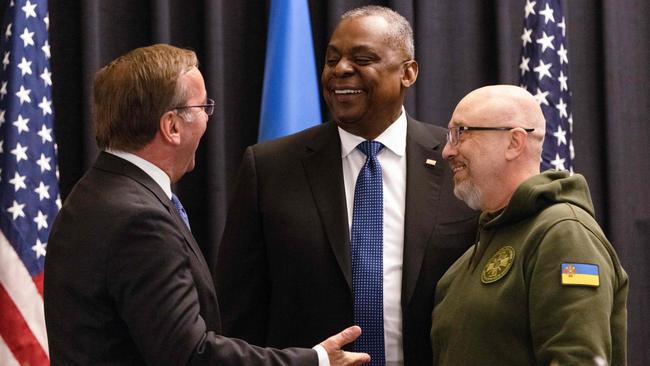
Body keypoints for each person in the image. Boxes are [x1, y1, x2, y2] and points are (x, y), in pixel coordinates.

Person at [43, 44, 370, 366]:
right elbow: (189, 355)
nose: (208, 120)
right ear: (171, 126)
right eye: (204, 108)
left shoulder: (94, 192)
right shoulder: (140, 220)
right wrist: (315, 361)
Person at [216, 6, 477, 366]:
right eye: (332, 59)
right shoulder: (270, 167)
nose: (340, 69)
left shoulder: (457, 163)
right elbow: (238, 312)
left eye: (362, 58)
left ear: (408, 72)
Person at [431, 85, 628, 365]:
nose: (447, 151)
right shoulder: (461, 267)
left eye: (460, 133)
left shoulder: (562, 233)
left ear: (514, 142)